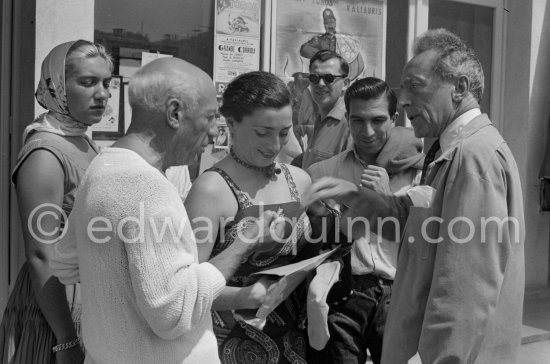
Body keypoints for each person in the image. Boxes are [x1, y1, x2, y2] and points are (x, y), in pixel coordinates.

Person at [304, 29, 525, 364]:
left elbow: (463, 291)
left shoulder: (471, 156)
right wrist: (356, 196)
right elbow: (422, 230)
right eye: (402, 87)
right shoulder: (455, 150)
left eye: (415, 85)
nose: (404, 100)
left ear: (460, 89)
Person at [50, 58, 283, 364]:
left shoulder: (102, 166)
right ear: (175, 113)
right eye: (210, 117)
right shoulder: (147, 188)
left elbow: (64, 263)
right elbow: (173, 314)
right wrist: (242, 242)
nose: (215, 132)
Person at [185, 71, 316, 363]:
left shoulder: (301, 181)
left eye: (284, 132)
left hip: (296, 342)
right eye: (262, 132)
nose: (275, 144)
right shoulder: (211, 189)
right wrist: (245, 296)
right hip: (228, 345)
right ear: (231, 124)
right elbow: (186, 290)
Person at [0, 40, 113, 364]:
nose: (103, 93)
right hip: (57, 310)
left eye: (107, 82)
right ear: (58, 87)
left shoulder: (81, 141)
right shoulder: (45, 154)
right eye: (88, 82)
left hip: (87, 300)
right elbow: (41, 254)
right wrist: (65, 340)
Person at [307, 77, 424, 364]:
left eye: (378, 120)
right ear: (346, 118)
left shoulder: (419, 173)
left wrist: (386, 202)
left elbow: (423, 239)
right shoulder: (323, 172)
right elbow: (315, 241)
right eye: (357, 120)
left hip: (399, 294)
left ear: (395, 119)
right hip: (343, 293)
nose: (367, 131)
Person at [297, 50, 353, 169]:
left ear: (345, 83)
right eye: (314, 77)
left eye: (329, 78)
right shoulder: (320, 119)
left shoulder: (351, 124)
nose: (321, 84)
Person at [300, 8, 365, 81]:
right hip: (327, 77)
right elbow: (303, 50)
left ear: (335, 22)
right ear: (324, 25)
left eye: (331, 22)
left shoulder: (344, 40)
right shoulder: (319, 40)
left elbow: (360, 63)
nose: (330, 25)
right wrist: (323, 55)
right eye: (327, 23)